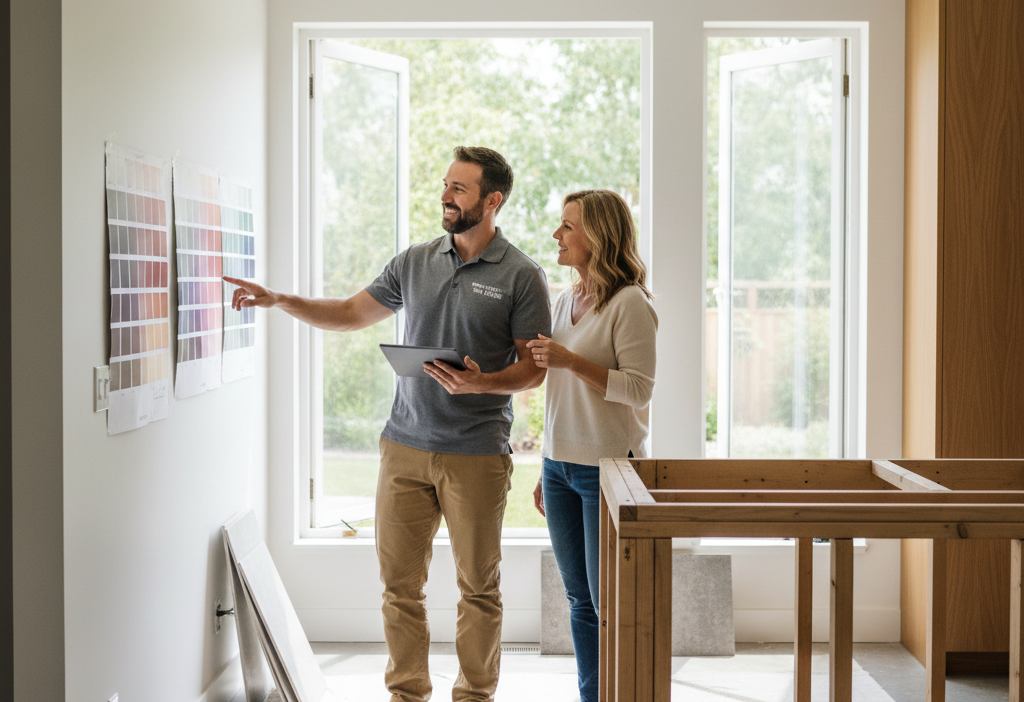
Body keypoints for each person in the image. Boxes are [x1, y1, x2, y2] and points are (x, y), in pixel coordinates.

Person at [225, 146, 551, 702]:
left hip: (475, 453)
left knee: (478, 588)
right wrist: (280, 300)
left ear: (492, 201)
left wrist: (481, 383)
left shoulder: (522, 275)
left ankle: (474, 695)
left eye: (460, 189)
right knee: (399, 587)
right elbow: (351, 313)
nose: (446, 196)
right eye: (446, 185)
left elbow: (531, 370)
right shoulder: (414, 261)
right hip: (403, 446)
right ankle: (407, 693)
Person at [526, 189, 657, 702]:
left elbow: (640, 389)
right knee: (580, 599)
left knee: (610, 602)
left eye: (568, 226)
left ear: (598, 236)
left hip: (609, 470)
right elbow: (558, 392)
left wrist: (571, 360)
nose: (557, 235)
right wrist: (546, 465)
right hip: (560, 467)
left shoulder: (631, 304)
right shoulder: (564, 299)